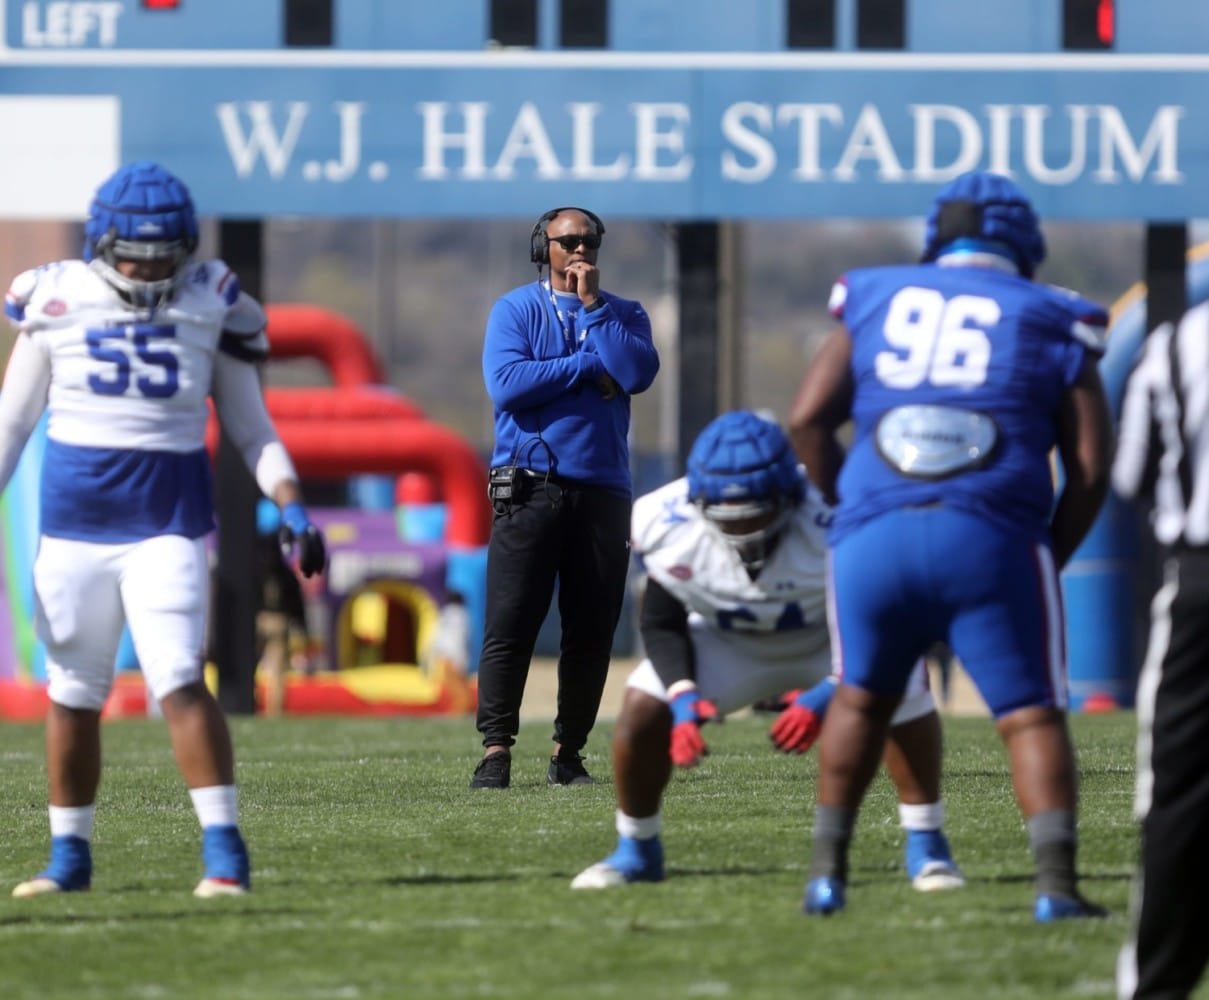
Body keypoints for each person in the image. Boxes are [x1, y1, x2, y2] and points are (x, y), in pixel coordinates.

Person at [787, 170, 1113, 920]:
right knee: (1029, 715)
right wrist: (1046, 550)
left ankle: (826, 878)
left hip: (874, 533)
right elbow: (1091, 465)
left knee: (861, 702)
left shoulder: (873, 294)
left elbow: (807, 417)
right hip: (991, 530)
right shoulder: (1055, 314)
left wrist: (852, 511)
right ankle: (1056, 889)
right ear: (1022, 240)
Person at [0, 161, 327, 898]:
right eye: (134, 252)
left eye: (161, 252)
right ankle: (69, 859)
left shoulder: (213, 300)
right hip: (73, 530)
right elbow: (12, 424)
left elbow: (251, 425)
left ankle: (224, 855)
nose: (148, 267)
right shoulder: (54, 297)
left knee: (179, 678)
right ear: (101, 243)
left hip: (165, 527)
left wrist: (290, 500)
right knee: (72, 693)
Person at [572, 409, 963, 891]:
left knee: (904, 683)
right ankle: (636, 849)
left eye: (756, 513)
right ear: (699, 501)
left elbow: (891, 621)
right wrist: (682, 695)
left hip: (833, 639)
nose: (743, 531)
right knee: (641, 703)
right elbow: (662, 619)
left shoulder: (836, 514)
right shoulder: (663, 521)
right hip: (731, 640)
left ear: (790, 497)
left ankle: (927, 847)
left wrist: (826, 694)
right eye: (728, 519)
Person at [470, 207, 660, 788]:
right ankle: (496, 750)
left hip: (603, 490)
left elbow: (637, 371)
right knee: (512, 623)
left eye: (589, 241)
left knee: (591, 629)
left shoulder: (624, 314)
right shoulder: (516, 310)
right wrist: (583, 366)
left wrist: (595, 310)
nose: (579, 250)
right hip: (530, 489)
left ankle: (568, 754)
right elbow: (508, 385)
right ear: (543, 248)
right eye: (567, 242)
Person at [1113, 302, 1209, 999]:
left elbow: (1130, 475)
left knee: (1177, 793)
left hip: (1201, 584)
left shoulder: (1177, 340)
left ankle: (1160, 983)